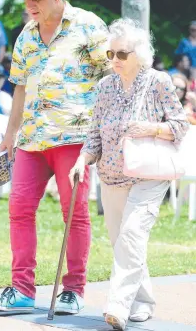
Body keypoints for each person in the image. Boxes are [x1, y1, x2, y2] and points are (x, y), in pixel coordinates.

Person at [0, 0, 110, 315]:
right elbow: (20, 89)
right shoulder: (26, 34)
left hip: (74, 137)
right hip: (31, 139)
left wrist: (104, 131)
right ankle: (22, 289)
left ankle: (74, 289)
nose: (31, 5)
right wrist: (9, 135)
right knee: (19, 208)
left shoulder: (89, 26)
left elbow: (112, 77)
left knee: (75, 213)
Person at [69, 19, 189, 330]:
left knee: (132, 236)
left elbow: (180, 125)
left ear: (138, 53)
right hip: (110, 176)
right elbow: (94, 132)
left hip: (148, 176)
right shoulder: (105, 87)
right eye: (110, 55)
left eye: (121, 54)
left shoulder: (158, 81)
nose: (114, 61)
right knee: (123, 242)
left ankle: (117, 307)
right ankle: (143, 301)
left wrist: (152, 128)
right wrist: (82, 159)